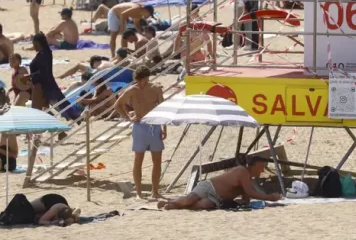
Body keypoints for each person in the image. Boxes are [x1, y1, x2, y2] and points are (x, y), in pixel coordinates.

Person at [115, 65, 165, 200]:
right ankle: (138, 193)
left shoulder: (155, 89)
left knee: (157, 160)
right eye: (138, 81)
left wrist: (164, 128)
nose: (140, 83)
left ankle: (155, 191)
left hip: (154, 125)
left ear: (147, 78)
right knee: (139, 159)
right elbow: (118, 105)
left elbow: (163, 108)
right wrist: (128, 117)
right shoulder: (132, 90)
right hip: (140, 126)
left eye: (142, 80)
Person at [159, 157, 282, 210]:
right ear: (253, 166)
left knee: (202, 206)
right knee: (189, 199)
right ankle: (171, 202)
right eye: (260, 167)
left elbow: (246, 196)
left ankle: (175, 205)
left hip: (217, 198)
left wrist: (243, 201)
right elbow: (251, 192)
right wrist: (269, 197)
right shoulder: (242, 171)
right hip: (210, 187)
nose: (262, 170)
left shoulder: (249, 179)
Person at [29, 33, 64, 109]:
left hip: (42, 86)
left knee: (37, 109)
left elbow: (44, 72)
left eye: (35, 44)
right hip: (41, 85)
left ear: (40, 43)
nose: (34, 46)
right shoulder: (43, 53)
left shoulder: (45, 54)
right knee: (46, 108)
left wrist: (29, 76)